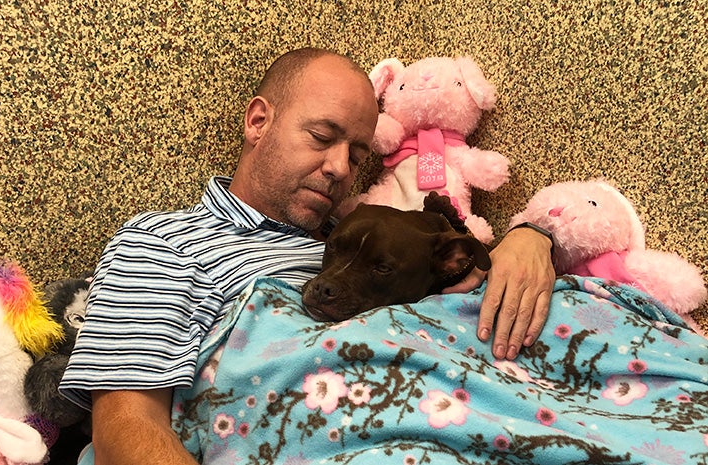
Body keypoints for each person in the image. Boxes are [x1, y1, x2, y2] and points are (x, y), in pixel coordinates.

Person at [59, 47, 555, 465]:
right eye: (322, 137)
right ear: (259, 121)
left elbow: (451, 258)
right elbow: (125, 423)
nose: (340, 168)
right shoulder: (165, 241)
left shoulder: (360, 233)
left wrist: (529, 237)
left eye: (358, 156)